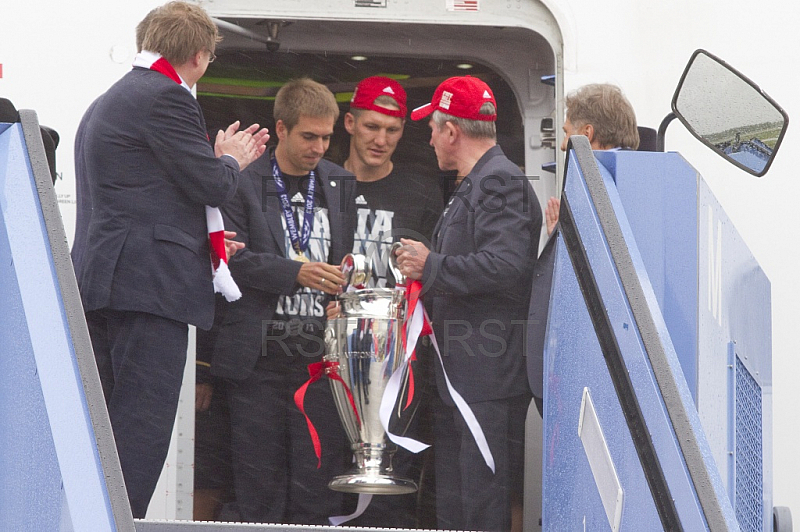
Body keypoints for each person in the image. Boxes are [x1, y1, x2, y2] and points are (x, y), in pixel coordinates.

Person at [72, 0, 269, 517]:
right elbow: (209, 183)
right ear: (201, 56)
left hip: (106, 280)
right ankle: (118, 522)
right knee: (140, 425)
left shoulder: (111, 98)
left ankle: (98, 518)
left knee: (107, 429)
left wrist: (207, 240)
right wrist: (231, 158)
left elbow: (143, 196)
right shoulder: (167, 99)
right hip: (148, 288)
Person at [195, 78, 357, 524]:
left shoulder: (340, 183)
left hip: (319, 364)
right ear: (281, 129)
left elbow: (343, 260)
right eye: (309, 136)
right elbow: (229, 260)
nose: (319, 147)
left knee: (317, 491)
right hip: (259, 363)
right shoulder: (244, 180)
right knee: (257, 489)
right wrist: (295, 272)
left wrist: (342, 294)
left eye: (327, 137)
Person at [394, 75, 542, 531]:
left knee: (479, 504)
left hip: (486, 378)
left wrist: (431, 266)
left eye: (434, 128)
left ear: (452, 132)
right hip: (466, 375)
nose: (431, 138)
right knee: (458, 503)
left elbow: (508, 265)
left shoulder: (500, 181)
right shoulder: (482, 181)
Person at [334, 75, 442, 527]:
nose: (381, 140)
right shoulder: (324, 183)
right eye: (372, 127)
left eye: (392, 130)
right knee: (324, 484)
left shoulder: (421, 192)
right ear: (349, 123)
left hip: (396, 369)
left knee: (391, 494)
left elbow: (435, 279)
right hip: (329, 363)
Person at [546, 83, 639, 234]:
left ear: (586, 134)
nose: (563, 145)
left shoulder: (595, 190)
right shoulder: (648, 180)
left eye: (566, 133)